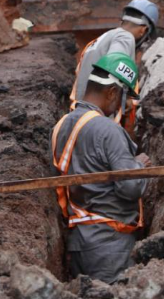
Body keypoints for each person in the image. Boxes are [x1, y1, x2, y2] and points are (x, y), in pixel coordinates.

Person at [52, 53, 150, 284]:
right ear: (112, 92)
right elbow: (130, 187)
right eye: (123, 98)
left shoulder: (61, 126)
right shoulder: (108, 130)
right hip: (110, 246)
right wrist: (139, 167)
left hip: (78, 242)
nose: (123, 107)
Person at [70, 0, 159, 135]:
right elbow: (114, 63)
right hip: (99, 118)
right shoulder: (125, 38)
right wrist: (127, 96)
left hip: (81, 112)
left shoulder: (102, 39)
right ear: (143, 30)